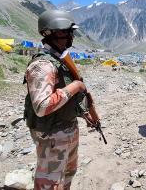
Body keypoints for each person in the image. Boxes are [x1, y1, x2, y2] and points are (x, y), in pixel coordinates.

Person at [24, 10, 94, 189]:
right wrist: (76, 86)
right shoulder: (42, 65)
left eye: (70, 32)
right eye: (65, 32)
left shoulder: (60, 60)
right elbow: (42, 106)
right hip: (52, 134)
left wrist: (85, 112)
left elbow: (68, 98)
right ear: (49, 34)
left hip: (67, 127)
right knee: (50, 182)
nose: (70, 37)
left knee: (68, 174)